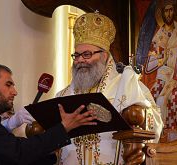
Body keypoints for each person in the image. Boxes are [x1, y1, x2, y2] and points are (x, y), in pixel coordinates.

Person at [55, 12, 163, 165]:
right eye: (77, 55)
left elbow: (155, 124)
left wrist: (141, 115)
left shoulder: (128, 85)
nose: (80, 60)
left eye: (86, 54)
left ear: (104, 55)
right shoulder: (63, 95)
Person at [0, 63, 98, 165]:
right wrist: (63, 128)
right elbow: (19, 153)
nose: (14, 92)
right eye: (8, 84)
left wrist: (54, 154)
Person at [141, 0, 177, 140]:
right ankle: (158, 137)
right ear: (161, 13)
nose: (169, 13)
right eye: (166, 11)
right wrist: (160, 60)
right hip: (162, 79)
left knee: (176, 97)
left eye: (171, 10)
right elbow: (149, 66)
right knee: (150, 98)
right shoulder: (158, 36)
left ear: (175, 11)